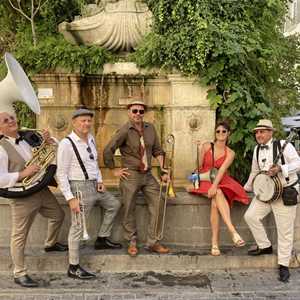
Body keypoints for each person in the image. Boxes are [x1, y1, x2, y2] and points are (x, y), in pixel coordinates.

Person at [0, 112, 67, 288]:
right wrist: (22, 174)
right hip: (21, 196)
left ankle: (50, 243)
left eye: (12, 118)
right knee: (19, 236)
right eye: (5, 121)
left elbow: (50, 149)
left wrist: (47, 140)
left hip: (40, 188)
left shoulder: (27, 136)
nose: (11, 121)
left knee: (58, 215)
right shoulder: (0, 148)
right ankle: (19, 273)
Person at [56, 108, 122, 280]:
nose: (86, 124)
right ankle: (73, 266)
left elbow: (94, 163)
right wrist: (70, 198)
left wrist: (100, 180)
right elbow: (61, 174)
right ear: (74, 122)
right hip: (79, 188)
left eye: (88, 121)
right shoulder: (66, 144)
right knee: (77, 227)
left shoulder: (91, 138)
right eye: (82, 121)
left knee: (114, 204)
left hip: (94, 185)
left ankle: (102, 238)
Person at [103, 100, 170, 257]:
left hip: (147, 174)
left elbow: (158, 151)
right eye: (135, 111)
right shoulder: (124, 130)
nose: (138, 114)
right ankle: (131, 241)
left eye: (141, 111)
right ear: (129, 112)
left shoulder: (150, 128)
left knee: (159, 201)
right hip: (131, 174)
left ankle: (153, 242)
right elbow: (108, 150)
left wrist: (163, 168)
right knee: (128, 207)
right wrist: (114, 170)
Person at [244, 119, 300, 283]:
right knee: (250, 216)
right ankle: (265, 246)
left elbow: (298, 163)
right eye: (257, 132)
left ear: (270, 132)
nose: (258, 134)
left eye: (262, 131)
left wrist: (281, 168)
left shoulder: (284, 145)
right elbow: (254, 172)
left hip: (284, 192)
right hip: (266, 193)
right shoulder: (256, 150)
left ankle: (284, 265)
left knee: (285, 231)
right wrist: (245, 188)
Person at [187, 121, 249, 256]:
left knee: (216, 200)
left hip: (220, 179)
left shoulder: (230, 153)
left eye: (224, 131)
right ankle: (233, 232)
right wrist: (198, 151)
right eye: (218, 131)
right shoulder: (207, 146)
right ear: (215, 133)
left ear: (228, 134)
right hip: (204, 178)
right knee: (218, 194)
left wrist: (214, 186)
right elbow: (198, 166)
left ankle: (215, 243)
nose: (220, 133)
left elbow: (221, 171)